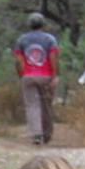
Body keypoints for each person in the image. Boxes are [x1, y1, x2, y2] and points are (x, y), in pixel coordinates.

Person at [12, 12, 59, 145]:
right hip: (45, 75)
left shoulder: (22, 40)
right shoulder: (50, 39)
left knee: (32, 105)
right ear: (43, 24)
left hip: (29, 74)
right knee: (46, 105)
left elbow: (19, 60)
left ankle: (36, 134)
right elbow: (53, 58)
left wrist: (22, 75)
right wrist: (54, 75)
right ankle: (47, 133)